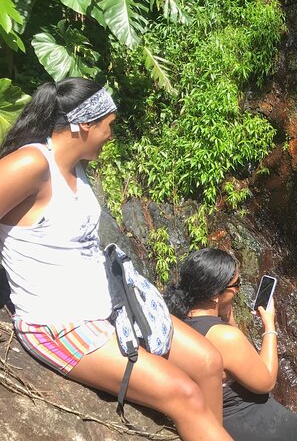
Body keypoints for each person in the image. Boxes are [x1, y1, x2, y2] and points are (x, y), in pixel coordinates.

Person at [0, 78, 232, 441]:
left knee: (208, 362)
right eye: (109, 125)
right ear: (84, 125)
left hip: (109, 303)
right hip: (61, 322)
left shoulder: (76, 166)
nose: (112, 134)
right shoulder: (32, 162)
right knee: (182, 393)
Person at [165, 248, 297, 441]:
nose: (238, 290)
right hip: (254, 423)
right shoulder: (225, 337)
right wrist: (269, 325)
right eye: (236, 284)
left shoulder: (176, 322)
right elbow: (265, 381)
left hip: (216, 424)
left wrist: (227, 317)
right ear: (216, 294)